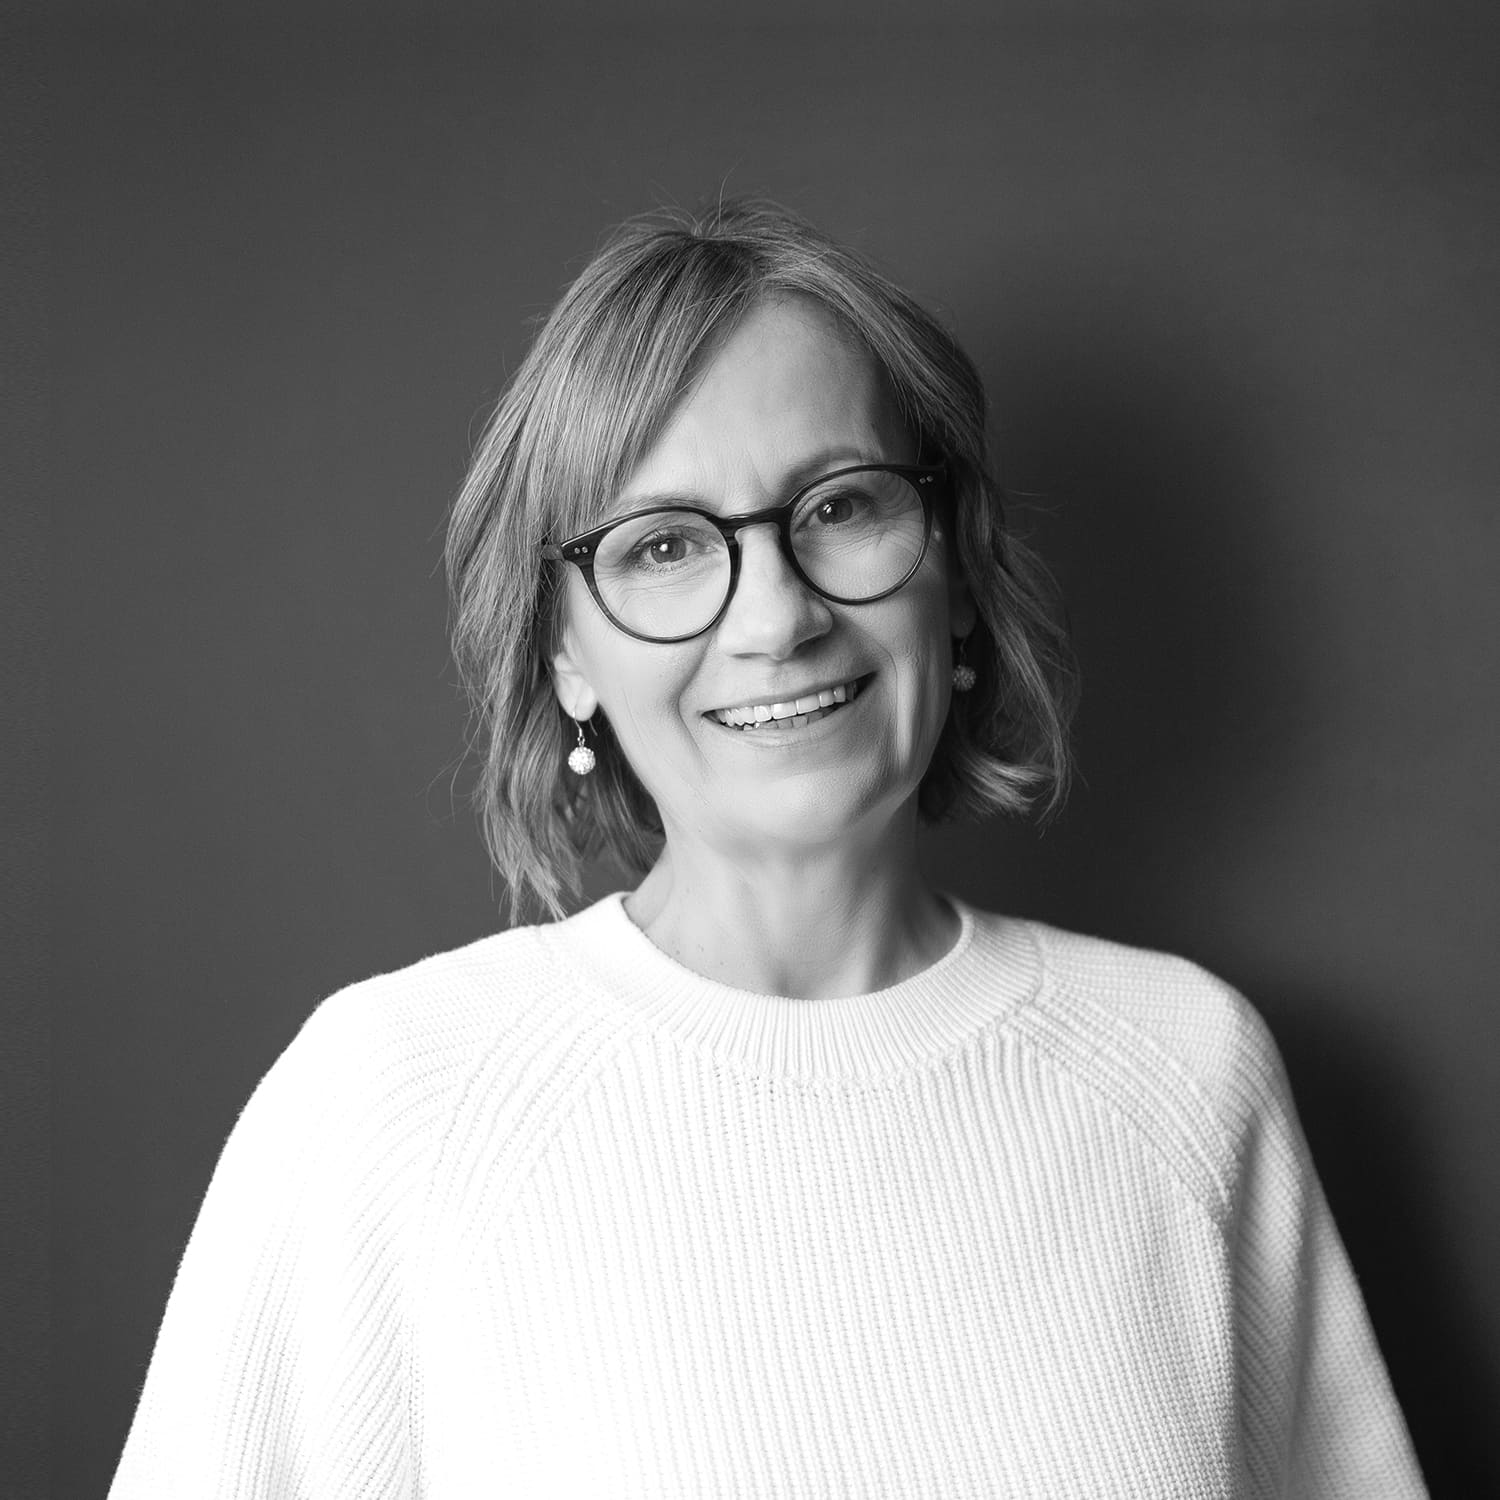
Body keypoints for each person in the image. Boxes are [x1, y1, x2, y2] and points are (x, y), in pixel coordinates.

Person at [110, 199, 1425, 1497]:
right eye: (665, 545)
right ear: (566, 652)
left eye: (840, 507)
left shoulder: (1184, 1072)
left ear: (958, 573)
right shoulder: (392, 1105)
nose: (779, 618)